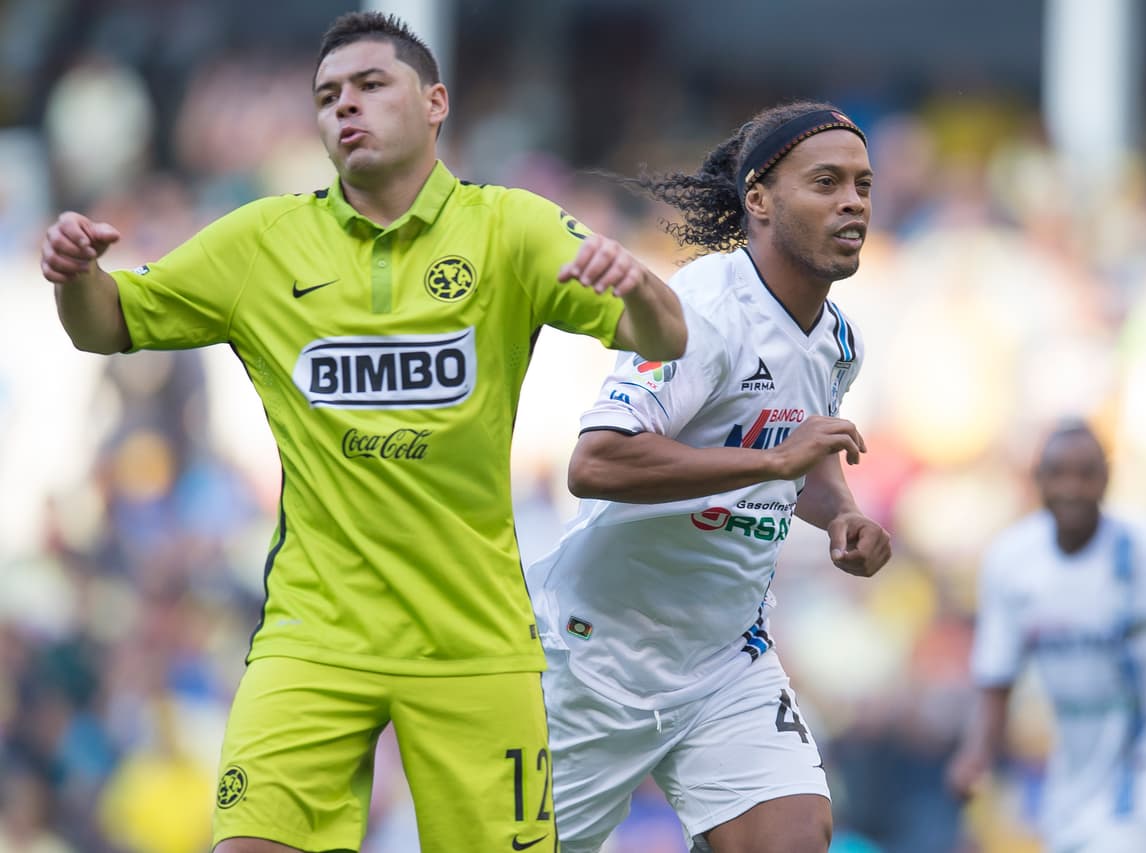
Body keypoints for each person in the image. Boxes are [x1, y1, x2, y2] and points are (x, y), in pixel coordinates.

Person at [39, 12, 686, 853]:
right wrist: (75, 276)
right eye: (326, 96)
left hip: (473, 639)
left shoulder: (509, 228)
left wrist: (635, 285)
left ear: (435, 103)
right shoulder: (263, 240)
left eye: (371, 85)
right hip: (315, 634)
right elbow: (107, 324)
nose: (345, 107)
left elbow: (666, 338)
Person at [525, 101, 893, 853]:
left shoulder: (840, 337)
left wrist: (842, 513)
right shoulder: (704, 312)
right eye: (826, 182)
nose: (852, 200)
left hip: (728, 659)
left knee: (793, 836)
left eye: (862, 183)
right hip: (595, 659)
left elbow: (801, 449)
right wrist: (773, 462)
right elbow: (597, 461)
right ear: (758, 198)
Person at [946, 420, 1146, 853]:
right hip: (1068, 802)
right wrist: (977, 753)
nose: (1072, 488)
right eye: (1058, 473)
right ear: (1038, 478)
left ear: (1107, 478)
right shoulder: (1011, 562)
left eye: (1086, 474)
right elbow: (996, 678)